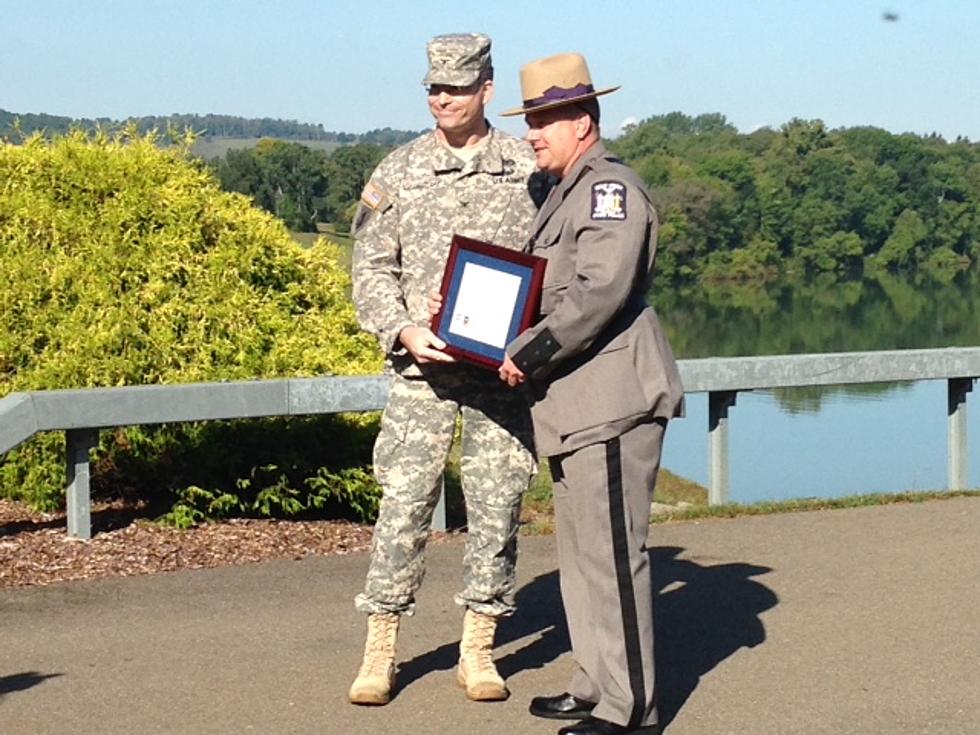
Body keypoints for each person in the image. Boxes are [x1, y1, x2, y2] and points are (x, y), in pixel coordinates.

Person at [347, 33, 544, 706]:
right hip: (419, 372)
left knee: (497, 508)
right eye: (433, 88)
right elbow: (370, 268)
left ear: (486, 90)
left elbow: (555, 266)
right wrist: (402, 326)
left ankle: (478, 648)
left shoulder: (528, 169)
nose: (442, 99)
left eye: (456, 89)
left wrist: (532, 334)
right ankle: (380, 647)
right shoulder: (400, 170)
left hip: (500, 377)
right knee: (401, 507)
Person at [497, 53, 685, 735]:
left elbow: (599, 291)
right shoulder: (563, 190)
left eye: (543, 119)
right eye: (530, 120)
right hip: (576, 406)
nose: (532, 133)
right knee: (580, 557)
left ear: (582, 120)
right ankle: (594, 681)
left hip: (611, 402)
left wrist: (527, 350)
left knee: (612, 555)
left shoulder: (610, 190)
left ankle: (630, 707)